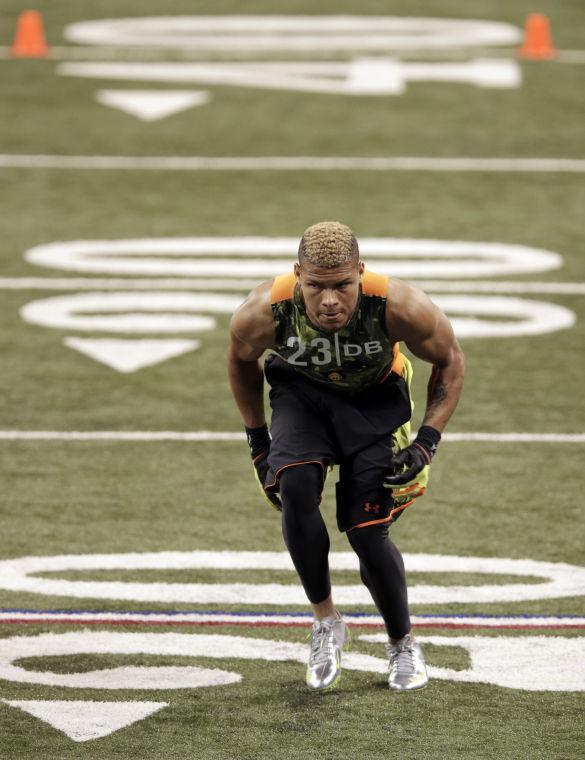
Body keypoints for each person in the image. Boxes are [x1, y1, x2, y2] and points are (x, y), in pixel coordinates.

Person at [228, 221, 464, 692]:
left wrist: (427, 441)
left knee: (368, 530)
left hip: (374, 400)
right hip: (302, 396)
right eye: (316, 286)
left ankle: (401, 641)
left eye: (342, 285)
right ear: (298, 276)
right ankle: (325, 622)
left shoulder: (401, 306)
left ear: (361, 271)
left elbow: (451, 360)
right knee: (295, 487)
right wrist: (258, 441)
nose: (330, 300)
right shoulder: (263, 311)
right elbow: (240, 359)